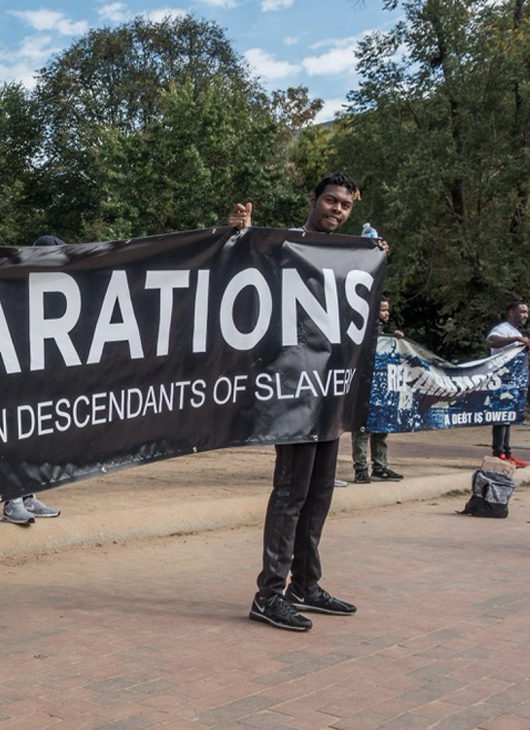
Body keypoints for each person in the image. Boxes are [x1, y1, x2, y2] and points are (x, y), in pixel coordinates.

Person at [227, 172, 387, 632]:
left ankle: (305, 585)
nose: (337, 210)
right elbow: (239, 272)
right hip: (293, 389)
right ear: (313, 200)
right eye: (331, 201)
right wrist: (238, 234)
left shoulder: (352, 257)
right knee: (291, 493)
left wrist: (372, 275)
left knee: (319, 493)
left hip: (331, 391)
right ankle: (269, 594)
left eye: (345, 205)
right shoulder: (286, 245)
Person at [3, 234, 66, 525]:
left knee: (36, 434)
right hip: (13, 377)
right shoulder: (14, 287)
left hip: (42, 376)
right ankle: (11, 501)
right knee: (15, 433)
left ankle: (28, 496)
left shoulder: (58, 292)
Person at [351, 297, 405, 483]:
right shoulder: (361, 332)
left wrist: (394, 339)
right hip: (364, 387)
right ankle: (361, 469)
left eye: (387, 310)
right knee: (362, 429)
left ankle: (379, 467)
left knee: (381, 428)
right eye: (383, 310)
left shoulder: (382, 334)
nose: (386, 313)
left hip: (380, 388)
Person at [486, 301, 530, 468]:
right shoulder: (503, 329)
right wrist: (517, 339)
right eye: (522, 311)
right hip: (501, 381)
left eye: (526, 312)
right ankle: (498, 452)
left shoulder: (515, 331)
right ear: (511, 313)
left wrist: (526, 347)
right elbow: (491, 342)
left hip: (514, 381)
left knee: (508, 417)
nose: (525, 315)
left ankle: (506, 452)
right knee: (501, 417)